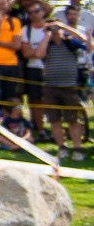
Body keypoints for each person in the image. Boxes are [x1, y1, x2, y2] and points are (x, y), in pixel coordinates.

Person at [37, 12, 89, 159]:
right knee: (54, 119)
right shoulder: (47, 44)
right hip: (50, 87)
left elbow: (84, 40)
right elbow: (39, 54)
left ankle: (78, 149)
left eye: (55, 28)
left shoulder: (70, 42)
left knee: (73, 120)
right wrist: (47, 35)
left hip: (69, 87)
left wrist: (63, 27)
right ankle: (62, 147)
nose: (54, 31)